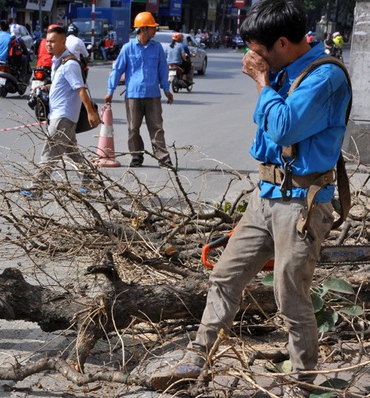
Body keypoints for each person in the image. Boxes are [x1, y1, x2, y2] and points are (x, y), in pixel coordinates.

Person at [149, 1, 351, 396]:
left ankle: (300, 383)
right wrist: (267, 79)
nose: (251, 59)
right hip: (268, 196)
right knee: (224, 276)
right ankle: (194, 360)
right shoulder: (284, 71)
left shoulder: (325, 76)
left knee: (290, 296)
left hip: (302, 204)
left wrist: (261, 82)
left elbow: (283, 128)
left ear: (281, 42)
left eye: (258, 51)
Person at [20, 25, 100, 200]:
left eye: (53, 41)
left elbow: (80, 89)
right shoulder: (59, 62)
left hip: (63, 117)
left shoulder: (70, 64)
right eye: (47, 41)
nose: (49, 45)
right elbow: (63, 86)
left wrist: (91, 112)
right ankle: (89, 183)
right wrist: (45, 87)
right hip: (62, 116)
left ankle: (36, 188)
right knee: (74, 154)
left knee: (49, 154)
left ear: (63, 42)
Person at [106, 11, 174, 169]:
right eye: (152, 28)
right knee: (133, 128)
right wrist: (110, 90)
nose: (154, 30)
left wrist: (166, 89)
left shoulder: (157, 48)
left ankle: (163, 158)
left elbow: (163, 70)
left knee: (157, 128)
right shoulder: (128, 48)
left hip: (153, 96)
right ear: (143, 29)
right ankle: (136, 156)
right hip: (133, 96)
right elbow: (117, 70)